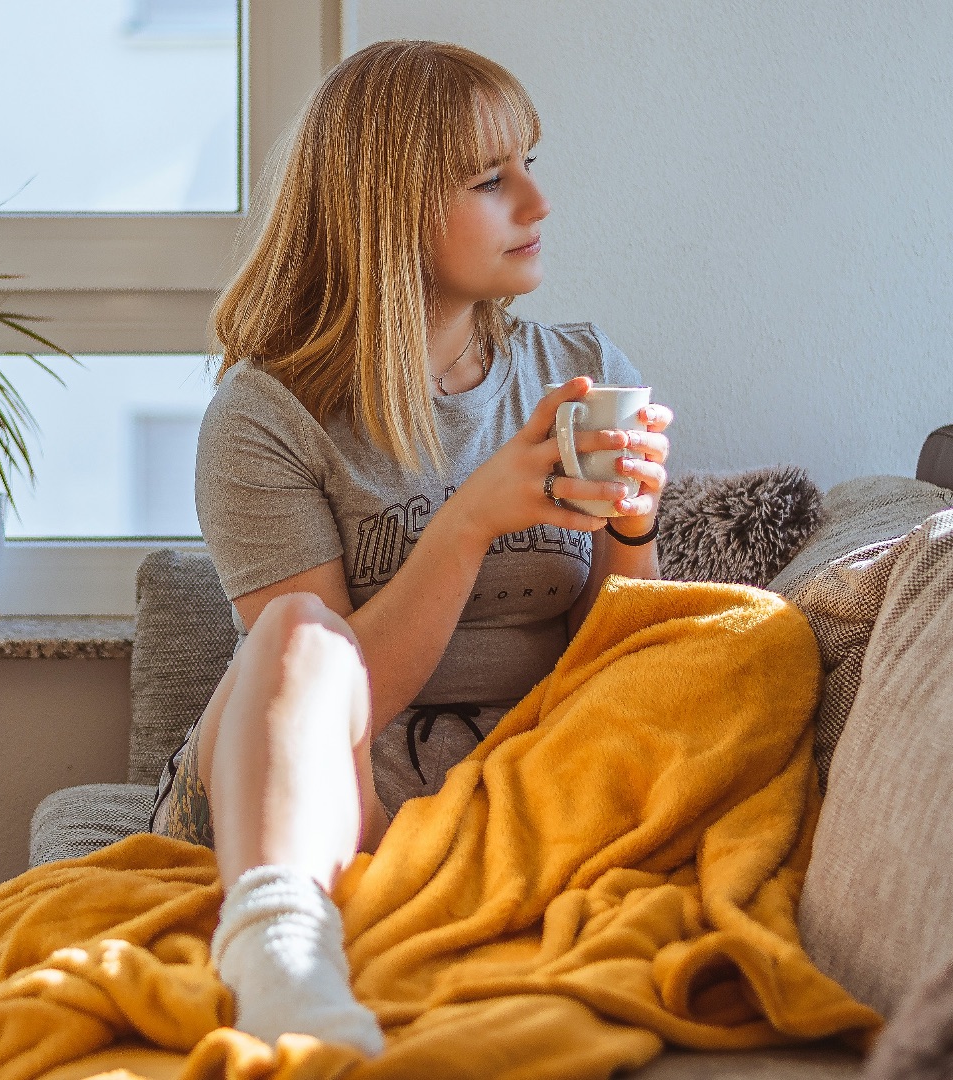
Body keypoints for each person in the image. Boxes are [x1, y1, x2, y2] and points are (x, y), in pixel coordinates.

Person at [150, 40, 674, 1056]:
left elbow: (620, 673)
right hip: (303, 778)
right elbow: (337, 693)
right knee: (301, 630)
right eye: (491, 179)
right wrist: (470, 520)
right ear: (387, 211)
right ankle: (280, 948)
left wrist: (633, 528)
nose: (537, 201)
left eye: (529, 162)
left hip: (508, 778)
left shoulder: (579, 371)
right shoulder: (266, 418)